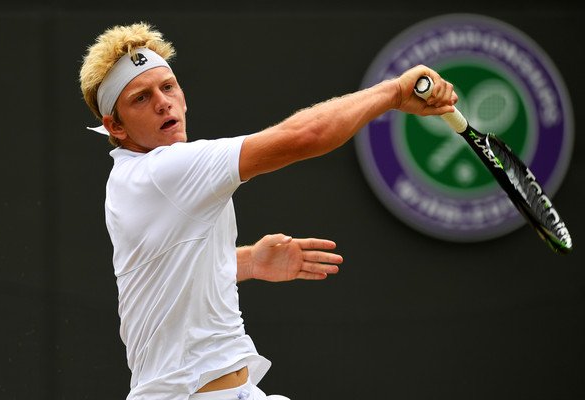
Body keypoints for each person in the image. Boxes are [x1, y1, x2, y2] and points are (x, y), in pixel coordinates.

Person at [79, 22, 457, 400]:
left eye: (168, 86)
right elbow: (304, 137)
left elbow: (168, 272)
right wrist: (394, 92)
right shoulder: (163, 172)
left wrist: (246, 262)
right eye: (141, 98)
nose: (163, 102)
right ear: (116, 126)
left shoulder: (133, 178)